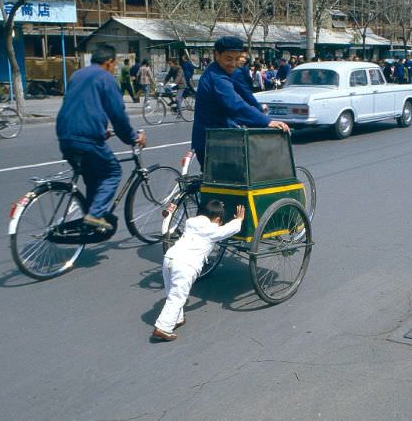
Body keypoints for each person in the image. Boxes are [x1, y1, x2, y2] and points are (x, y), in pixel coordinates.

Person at [56, 44, 146, 231]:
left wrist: (100, 128)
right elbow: (117, 114)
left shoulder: (77, 75)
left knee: (93, 178)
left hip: (65, 135)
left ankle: (90, 221)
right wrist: (132, 137)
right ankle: (95, 215)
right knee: (112, 172)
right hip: (87, 138)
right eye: (114, 65)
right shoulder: (105, 77)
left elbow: (81, 106)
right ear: (110, 62)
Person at [191, 36, 289, 169]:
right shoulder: (218, 79)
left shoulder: (215, 70)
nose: (232, 63)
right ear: (217, 55)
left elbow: (243, 96)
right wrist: (267, 121)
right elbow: (236, 105)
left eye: (236, 59)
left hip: (213, 138)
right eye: (228, 58)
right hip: (215, 142)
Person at [152, 201, 245, 341]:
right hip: (185, 265)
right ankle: (163, 328)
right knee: (177, 297)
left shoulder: (190, 223)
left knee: (172, 292)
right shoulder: (212, 231)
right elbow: (228, 230)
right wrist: (239, 220)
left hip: (169, 258)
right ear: (218, 219)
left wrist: (169, 214)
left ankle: (177, 318)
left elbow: (167, 229)